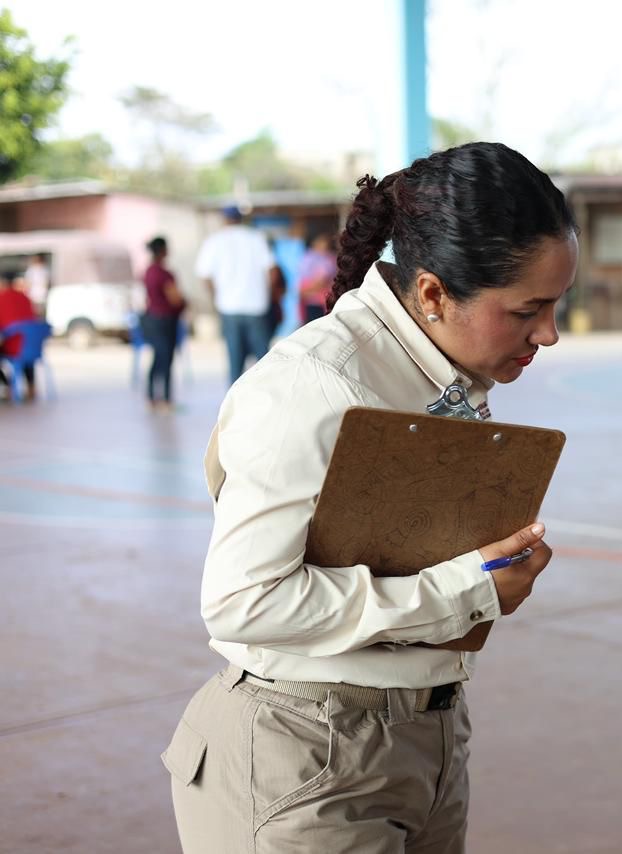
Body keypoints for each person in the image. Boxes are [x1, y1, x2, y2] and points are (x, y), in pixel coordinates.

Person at [163, 142, 578, 854]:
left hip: (424, 739)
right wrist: (466, 589)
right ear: (432, 294)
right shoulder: (312, 388)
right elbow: (242, 601)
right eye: (527, 310)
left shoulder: (442, 376)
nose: (549, 333)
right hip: (307, 759)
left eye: (555, 305)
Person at [196, 206, 275, 384]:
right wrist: (269, 296)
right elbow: (272, 271)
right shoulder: (256, 238)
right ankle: (267, 400)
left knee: (234, 359)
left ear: (224, 219)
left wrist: (216, 297)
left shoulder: (214, 241)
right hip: (257, 306)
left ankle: (235, 405)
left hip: (229, 307)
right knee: (263, 360)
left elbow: (205, 276)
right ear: (241, 219)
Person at [140, 237, 186, 413]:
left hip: (151, 319)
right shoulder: (165, 274)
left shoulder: (147, 272)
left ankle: (151, 398)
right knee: (166, 359)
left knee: (157, 358)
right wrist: (185, 304)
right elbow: (175, 299)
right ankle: (166, 399)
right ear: (162, 251)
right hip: (166, 321)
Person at [0, 273, 37, 400]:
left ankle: (8, 387)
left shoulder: (2, 298)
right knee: (25, 355)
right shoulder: (25, 298)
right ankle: (31, 387)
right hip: (33, 347)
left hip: (14, 346)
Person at [297, 233, 338, 324]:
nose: (323, 245)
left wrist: (308, 290)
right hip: (310, 302)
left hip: (322, 302)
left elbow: (322, 281)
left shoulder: (330, 259)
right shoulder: (308, 257)